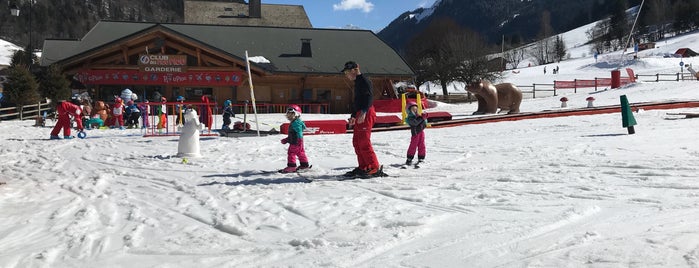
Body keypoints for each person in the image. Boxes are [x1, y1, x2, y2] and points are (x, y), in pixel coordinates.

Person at [341, 61, 380, 177]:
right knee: (357, 141)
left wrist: (363, 111)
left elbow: (369, 97)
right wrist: (353, 116)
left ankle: (373, 167)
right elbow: (357, 101)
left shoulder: (364, 80)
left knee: (364, 141)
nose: (346, 75)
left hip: (366, 112)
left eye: (347, 72)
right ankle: (364, 166)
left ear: (354, 70)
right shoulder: (357, 82)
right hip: (360, 112)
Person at [280, 104, 311, 173]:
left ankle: (292, 166)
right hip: (298, 140)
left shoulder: (295, 123)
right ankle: (304, 165)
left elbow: (297, 133)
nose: (289, 116)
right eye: (288, 114)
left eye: (291, 114)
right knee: (300, 152)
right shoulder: (296, 122)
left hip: (296, 141)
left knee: (291, 153)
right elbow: (293, 134)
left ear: (297, 114)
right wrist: (287, 139)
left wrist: (295, 140)